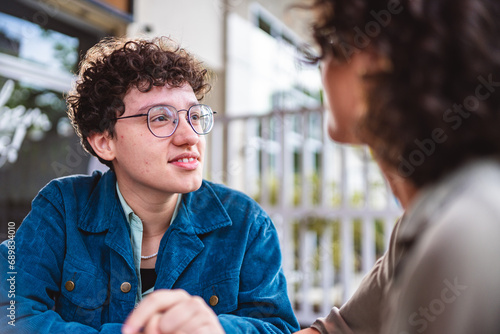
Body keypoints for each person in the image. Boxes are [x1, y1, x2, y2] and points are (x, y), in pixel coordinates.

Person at [0, 36, 299, 334]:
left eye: (195, 116)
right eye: (160, 118)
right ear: (105, 142)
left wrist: (216, 330)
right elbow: (10, 314)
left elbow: (278, 327)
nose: (190, 136)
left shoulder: (246, 223)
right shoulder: (62, 208)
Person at [296, 0, 500, 333]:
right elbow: (337, 331)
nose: (323, 67)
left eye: (330, 45)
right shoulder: (418, 223)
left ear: (378, 60)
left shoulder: (463, 233)